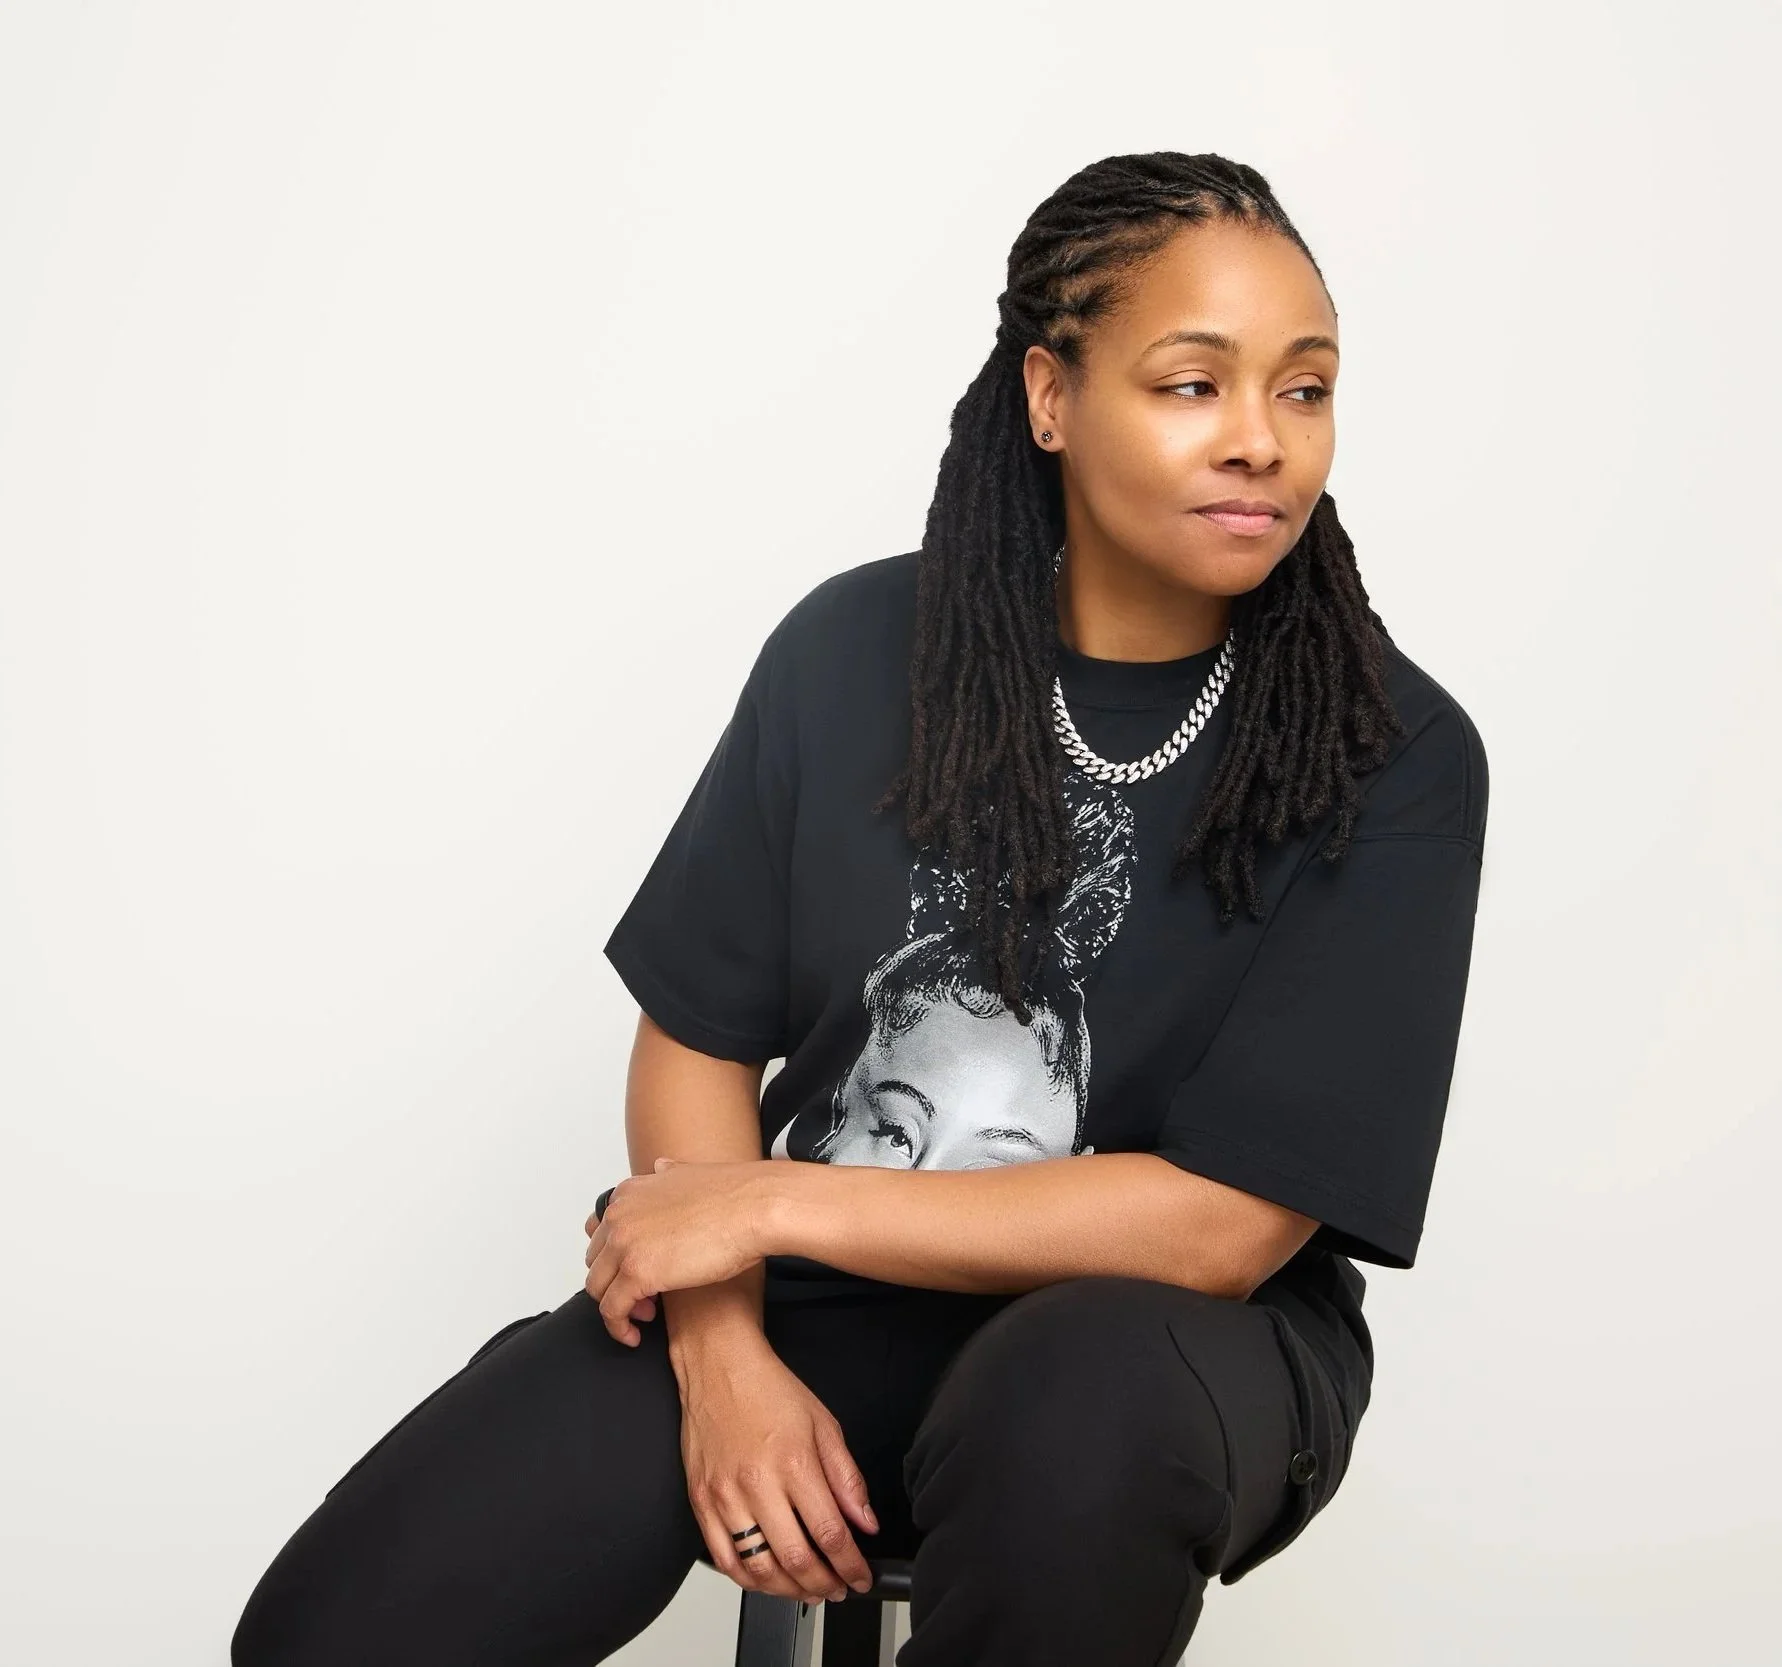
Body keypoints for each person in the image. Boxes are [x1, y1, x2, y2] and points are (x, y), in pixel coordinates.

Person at [231, 149, 1489, 1667]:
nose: (1260, 443)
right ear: (1048, 395)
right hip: (813, 1310)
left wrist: (757, 1202)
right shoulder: (852, 652)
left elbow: (1219, 1228)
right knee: (337, 1628)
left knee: (1073, 1410)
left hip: (1173, 1350)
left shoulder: (1388, 753)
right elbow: (695, 1036)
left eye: (1303, 389)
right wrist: (721, 1344)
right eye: (1188, 384)